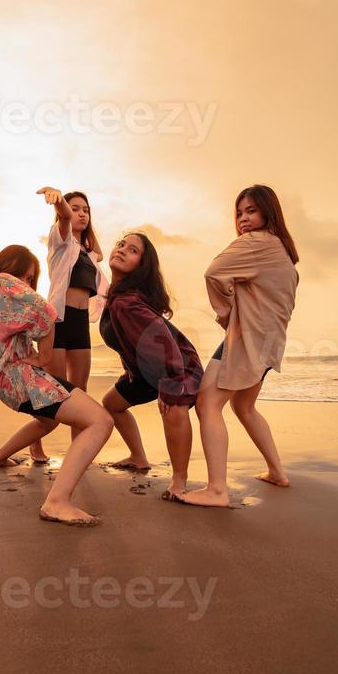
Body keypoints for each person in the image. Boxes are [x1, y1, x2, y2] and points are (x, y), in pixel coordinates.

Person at [0, 245, 113, 527]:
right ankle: (57, 502)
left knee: (48, 422)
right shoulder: (3, 283)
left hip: (3, 384)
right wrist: (45, 356)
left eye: (31, 281)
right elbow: (46, 311)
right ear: (12, 267)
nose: (27, 285)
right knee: (100, 421)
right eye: (27, 276)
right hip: (21, 378)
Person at [181, 185, 299, 507]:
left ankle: (217, 490)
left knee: (207, 404)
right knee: (243, 407)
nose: (244, 219)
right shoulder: (284, 254)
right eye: (239, 213)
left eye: (251, 211)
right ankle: (277, 471)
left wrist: (226, 314)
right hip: (269, 343)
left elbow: (213, 273)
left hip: (247, 339)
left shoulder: (255, 243)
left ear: (268, 213)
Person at [100, 233, 204, 500]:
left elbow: (165, 345)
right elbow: (130, 341)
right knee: (112, 403)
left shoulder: (128, 303)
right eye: (120, 244)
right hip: (146, 371)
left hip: (178, 366)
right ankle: (138, 458)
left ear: (141, 266)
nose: (122, 250)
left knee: (173, 407)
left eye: (132, 250)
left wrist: (170, 386)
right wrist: (131, 369)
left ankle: (179, 481)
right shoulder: (118, 296)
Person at [28, 186, 109, 463]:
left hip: (80, 324)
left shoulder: (88, 254)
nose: (81, 214)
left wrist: (84, 229)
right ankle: (35, 441)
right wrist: (60, 200)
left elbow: (99, 251)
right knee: (53, 389)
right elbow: (63, 217)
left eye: (86, 210)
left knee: (80, 391)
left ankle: (79, 450)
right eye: (76, 209)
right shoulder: (60, 242)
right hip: (58, 322)